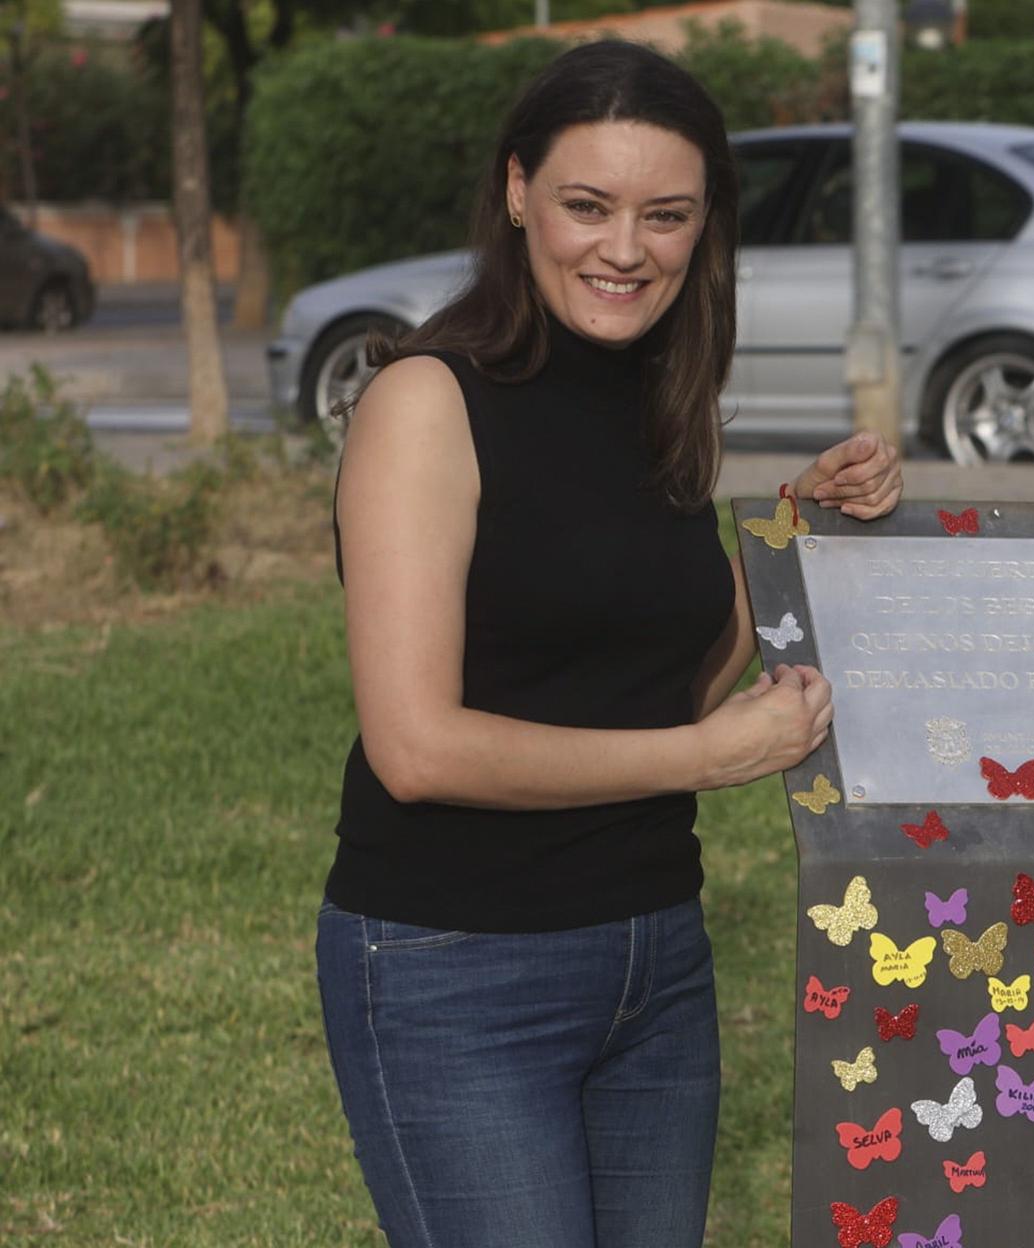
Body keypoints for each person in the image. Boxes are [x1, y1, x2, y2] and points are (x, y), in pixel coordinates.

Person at [314, 40, 901, 1248]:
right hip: (453, 965)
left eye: (665, 215)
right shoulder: (425, 403)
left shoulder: (653, 390)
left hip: (652, 960)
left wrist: (799, 524)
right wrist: (707, 757)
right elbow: (418, 746)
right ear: (517, 190)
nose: (625, 249)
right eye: (587, 206)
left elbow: (661, 682)